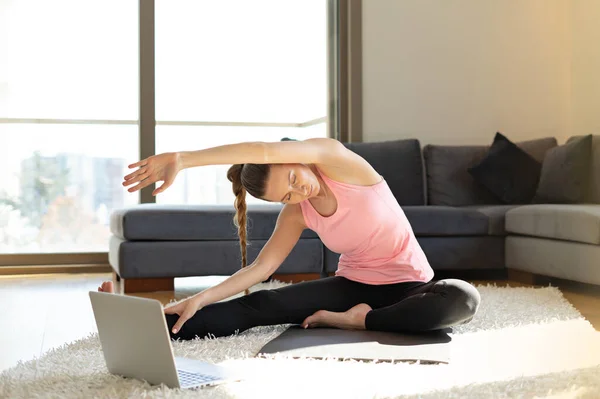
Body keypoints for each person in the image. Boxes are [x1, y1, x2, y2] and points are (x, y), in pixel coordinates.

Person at [98, 138, 481, 340]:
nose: (299, 193)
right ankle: (142, 326)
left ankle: (357, 322)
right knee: (260, 306)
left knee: (461, 299)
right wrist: (199, 298)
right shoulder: (298, 210)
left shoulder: (337, 161)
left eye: (294, 179)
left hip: (410, 285)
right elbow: (262, 268)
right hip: (352, 284)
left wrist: (184, 158)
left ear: (294, 157)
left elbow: (263, 149)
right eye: (287, 196)